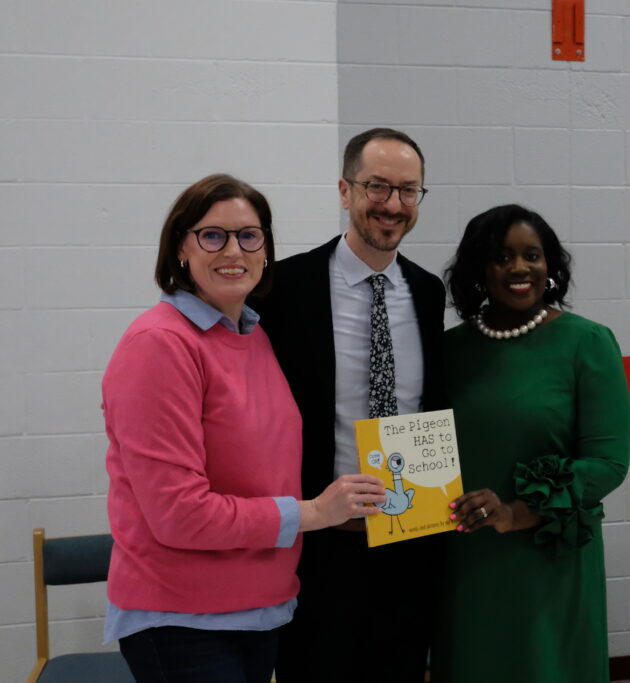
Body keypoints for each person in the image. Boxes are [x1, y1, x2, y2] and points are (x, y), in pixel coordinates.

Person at [102, 174, 387, 683]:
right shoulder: (160, 345)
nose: (233, 250)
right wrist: (316, 512)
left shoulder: (252, 336)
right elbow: (179, 515)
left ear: (266, 250)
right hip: (183, 619)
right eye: (212, 235)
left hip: (261, 609)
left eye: (249, 235)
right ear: (181, 248)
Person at [250, 129, 446, 682]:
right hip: (319, 544)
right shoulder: (286, 286)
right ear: (344, 190)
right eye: (377, 186)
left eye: (408, 191)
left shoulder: (428, 291)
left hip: (409, 537)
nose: (393, 204)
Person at [434, 204, 630, 683]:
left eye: (532, 255)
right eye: (502, 257)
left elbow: (608, 463)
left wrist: (516, 511)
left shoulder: (587, 342)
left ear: (550, 265)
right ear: (480, 270)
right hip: (467, 554)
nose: (520, 268)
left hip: (548, 554)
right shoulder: (450, 349)